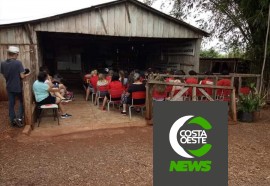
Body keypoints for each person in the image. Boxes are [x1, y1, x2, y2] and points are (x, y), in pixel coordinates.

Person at [0, 46, 30, 127]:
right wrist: (27, 74)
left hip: (9, 86)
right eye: (17, 54)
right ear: (15, 54)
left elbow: (3, 74)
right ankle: (19, 118)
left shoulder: (2, 63)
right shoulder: (18, 63)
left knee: (11, 103)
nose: (18, 55)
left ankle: (12, 120)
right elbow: (22, 76)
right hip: (17, 86)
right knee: (21, 102)